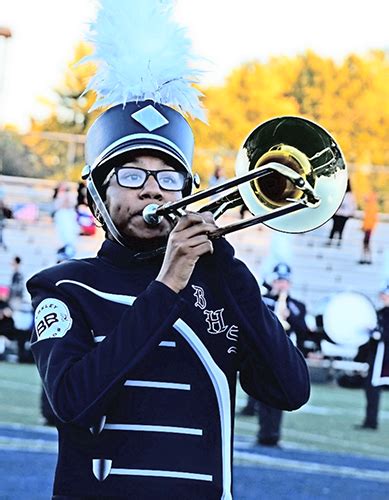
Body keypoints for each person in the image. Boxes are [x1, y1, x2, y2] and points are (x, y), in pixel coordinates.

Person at [27, 2, 310, 498]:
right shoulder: (63, 287)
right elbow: (71, 403)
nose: (153, 191)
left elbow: (289, 391)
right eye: (132, 176)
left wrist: (227, 268)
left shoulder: (218, 281)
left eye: (168, 177)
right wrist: (168, 282)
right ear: (97, 195)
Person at [240, 263, 311, 447]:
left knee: (278, 393)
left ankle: (272, 434)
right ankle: (263, 430)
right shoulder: (262, 301)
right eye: (279, 280)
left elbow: (304, 330)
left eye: (285, 281)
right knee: (260, 390)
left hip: (285, 354)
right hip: (262, 351)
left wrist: (290, 317)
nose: (282, 285)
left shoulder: (297, 306)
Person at [355, 284, 389, 430]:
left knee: (373, 388)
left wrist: (378, 333)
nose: (383, 297)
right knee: (371, 389)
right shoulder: (381, 312)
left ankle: (371, 421)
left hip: (385, 358)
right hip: (379, 358)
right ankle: (370, 421)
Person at [52, 182, 79, 261]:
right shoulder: (58, 197)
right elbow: (58, 206)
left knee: (69, 232)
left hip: (68, 216)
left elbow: (71, 205)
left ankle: (69, 249)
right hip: (61, 216)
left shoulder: (71, 196)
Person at [325, 180, 356, 247]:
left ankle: (337, 242)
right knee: (336, 228)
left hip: (342, 215)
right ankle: (333, 241)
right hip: (340, 214)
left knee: (338, 229)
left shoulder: (348, 195)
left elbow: (351, 205)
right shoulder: (344, 193)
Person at [358, 191, 378, 264]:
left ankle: (367, 259)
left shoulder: (371, 207)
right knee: (366, 243)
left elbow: (371, 220)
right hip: (368, 229)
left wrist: (366, 227)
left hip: (368, 229)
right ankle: (366, 258)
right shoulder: (370, 207)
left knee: (366, 243)